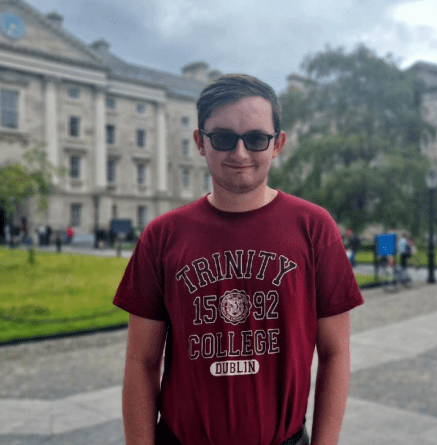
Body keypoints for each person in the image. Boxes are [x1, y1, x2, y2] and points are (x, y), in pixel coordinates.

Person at [113, 74, 364, 445]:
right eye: (224, 138)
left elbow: (335, 352)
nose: (240, 153)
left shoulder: (314, 228)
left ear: (278, 144)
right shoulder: (163, 236)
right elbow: (142, 362)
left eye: (257, 139)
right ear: (200, 142)